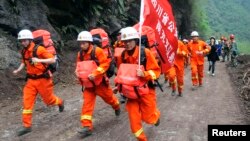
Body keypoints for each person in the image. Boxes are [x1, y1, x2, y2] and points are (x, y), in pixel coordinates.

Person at [13, 29, 64, 136]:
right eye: (21, 41)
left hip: (43, 80)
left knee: (49, 101)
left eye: (24, 40)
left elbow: (52, 60)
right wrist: (18, 70)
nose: (23, 43)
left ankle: (60, 102)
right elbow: (24, 62)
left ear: (30, 39)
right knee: (27, 103)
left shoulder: (39, 49)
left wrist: (39, 60)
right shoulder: (24, 51)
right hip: (31, 80)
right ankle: (27, 126)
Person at [115, 27, 160, 141]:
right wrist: (118, 86)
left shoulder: (145, 53)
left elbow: (156, 71)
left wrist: (144, 73)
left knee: (149, 119)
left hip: (146, 92)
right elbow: (122, 74)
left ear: (136, 40)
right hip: (131, 95)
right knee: (134, 121)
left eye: (130, 41)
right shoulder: (122, 56)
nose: (127, 44)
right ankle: (142, 139)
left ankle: (156, 116)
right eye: (125, 41)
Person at [75, 31, 120, 137]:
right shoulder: (80, 54)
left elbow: (105, 64)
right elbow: (79, 65)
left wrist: (95, 73)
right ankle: (87, 127)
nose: (81, 45)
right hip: (88, 85)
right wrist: (77, 71)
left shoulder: (97, 51)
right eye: (80, 43)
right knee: (87, 104)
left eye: (83, 43)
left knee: (109, 98)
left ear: (89, 42)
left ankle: (116, 106)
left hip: (100, 84)